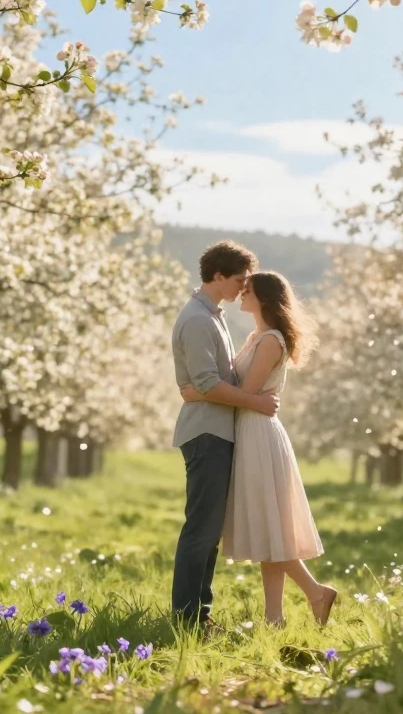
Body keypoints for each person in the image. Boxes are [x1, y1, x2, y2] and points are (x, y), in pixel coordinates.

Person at [181, 271, 335, 627]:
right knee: (269, 525)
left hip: (259, 433)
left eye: (247, 291)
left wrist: (200, 392)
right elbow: (244, 392)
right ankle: (275, 618)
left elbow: (246, 393)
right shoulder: (256, 336)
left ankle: (315, 593)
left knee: (270, 527)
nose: (241, 295)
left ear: (263, 298)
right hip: (249, 428)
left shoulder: (271, 341)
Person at [170, 241, 279, 631]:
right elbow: (208, 384)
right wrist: (254, 402)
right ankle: (187, 619)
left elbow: (210, 382)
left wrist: (214, 390)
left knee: (209, 529)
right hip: (206, 432)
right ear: (218, 276)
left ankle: (199, 614)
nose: (243, 287)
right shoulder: (199, 320)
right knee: (201, 529)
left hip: (217, 430)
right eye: (238, 278)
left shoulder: (211, 315)